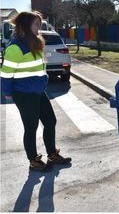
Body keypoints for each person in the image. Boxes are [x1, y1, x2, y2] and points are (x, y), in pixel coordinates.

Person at [1, 11, 71, 172]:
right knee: (31, 127)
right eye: (36, 24)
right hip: (24, 93)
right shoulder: (15, 48)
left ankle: (52, 154)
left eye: (39, 24)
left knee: (50, 121)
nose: (39, 28)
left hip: (38, 91)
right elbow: (5, 74)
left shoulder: (35, 42)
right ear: (25, 26)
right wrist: (8, 93)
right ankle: (33, 161)